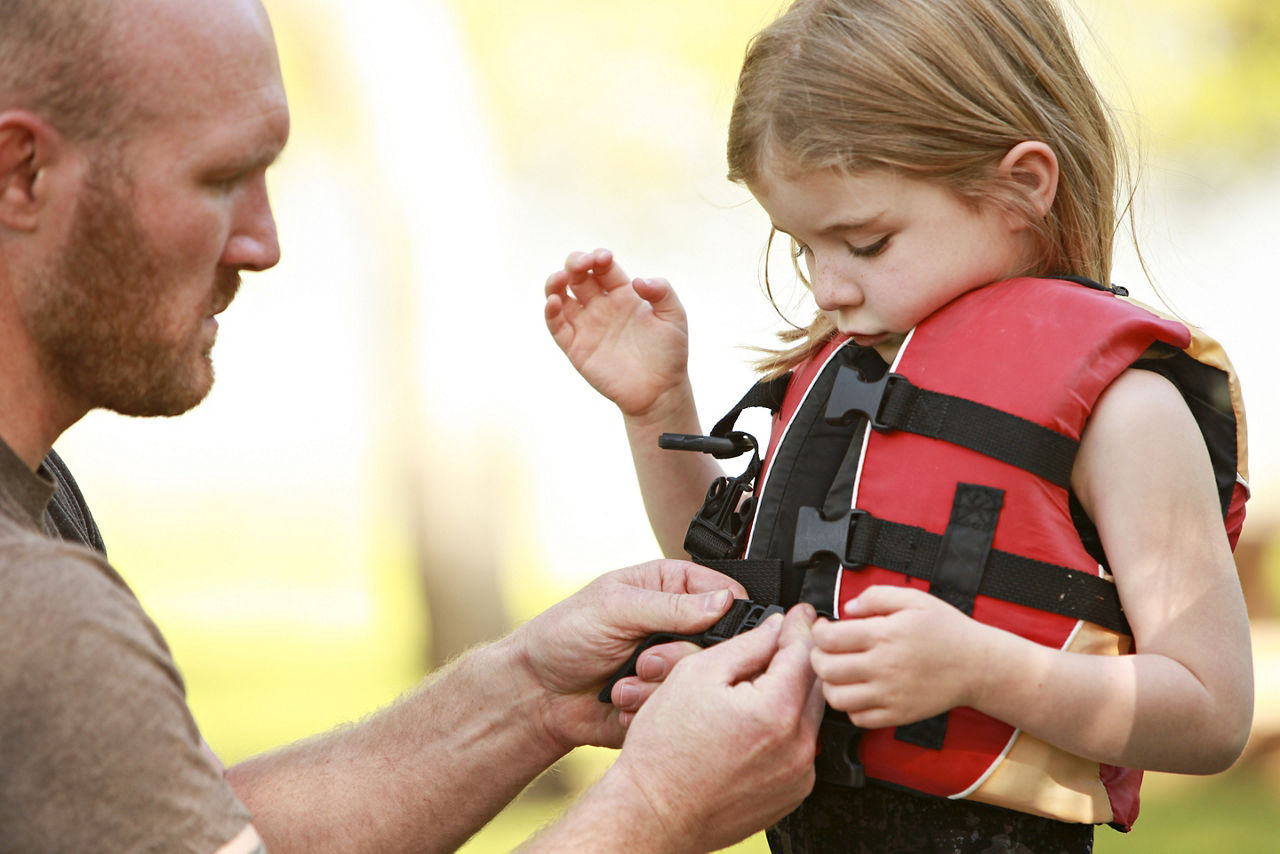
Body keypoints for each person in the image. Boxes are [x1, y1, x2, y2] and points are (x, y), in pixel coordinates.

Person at [0, 0, 826, 851]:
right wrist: (655, 807)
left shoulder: (37, 493)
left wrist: (531, 693)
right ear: (22, 172)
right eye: (217, 181)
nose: (264, 242)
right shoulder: (35, 610)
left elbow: (186, 825)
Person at [544, 0, 1254, 851]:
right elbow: (733, 583)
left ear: (1023, 186)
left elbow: (1212, 715)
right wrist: (658, 406)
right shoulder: (847, 379)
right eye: (804, 247)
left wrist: (983, 668)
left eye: (866, 242)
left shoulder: (1127, 415)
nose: (828, 288)